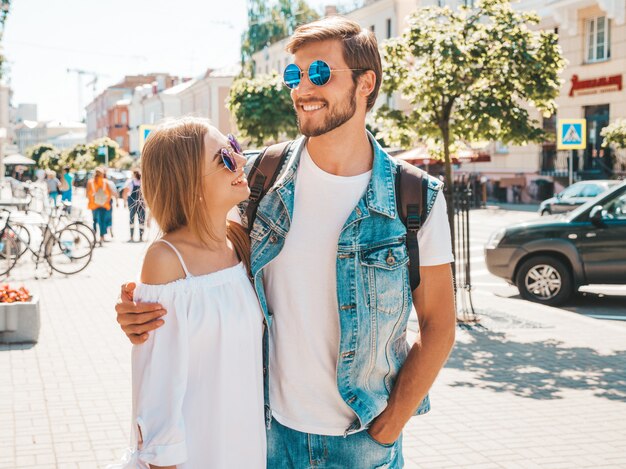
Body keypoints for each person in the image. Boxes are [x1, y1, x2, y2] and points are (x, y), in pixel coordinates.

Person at [116, 16, 456, 468]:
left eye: (319, 73)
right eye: (293, 75)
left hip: (361, 445)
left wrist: (389, 426)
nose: (301, 89)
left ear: (365, 83)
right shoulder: (256, 178)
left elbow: (440, 327)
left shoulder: (415, 198)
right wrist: (144, 305)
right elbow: (194, 250)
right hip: (264, 437)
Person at [109, 118, 265, 469]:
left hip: (244, 445)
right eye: (223, 158)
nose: (240, 162)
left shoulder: (239, 239)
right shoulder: (166, 260)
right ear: (187, 181)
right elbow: (158, 398)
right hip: (198, 454)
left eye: (235, 149)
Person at [86, 167, 113, 245]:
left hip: (94, 205)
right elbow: (109, 194)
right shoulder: (105, 182)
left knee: (94, 221)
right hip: (104, 205)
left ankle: (94, 237)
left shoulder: (90, 182)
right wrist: (106, 201)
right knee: (102, 221)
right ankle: (102, 238)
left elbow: (87, 194)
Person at [123, 170, 146, 242]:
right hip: (142, 203)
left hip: (132, 203)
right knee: (141, 219)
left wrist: (124, 202)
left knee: (132, 219)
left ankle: (132, 237)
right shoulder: (143, 182)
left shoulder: (130, 182)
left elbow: (125, 192)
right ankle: (141, 237)